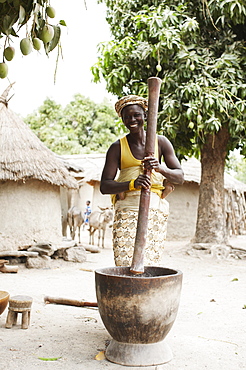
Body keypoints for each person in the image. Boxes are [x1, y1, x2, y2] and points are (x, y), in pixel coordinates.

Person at [100, 95, 184, 267]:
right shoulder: (117, 147)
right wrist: (132, 184)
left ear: (145, 116)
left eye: (136, 115)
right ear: (122, 120)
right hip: (127, 209)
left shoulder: (161, 143)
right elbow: (105, 185)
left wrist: (160, 168)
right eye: (127, 116)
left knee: (150, 263)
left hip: (154, 210)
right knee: (125, 262)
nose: (132, 119)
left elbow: (180, 177)